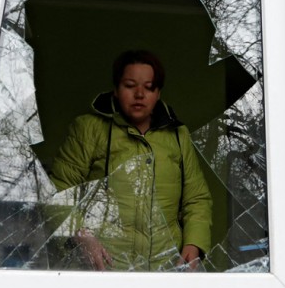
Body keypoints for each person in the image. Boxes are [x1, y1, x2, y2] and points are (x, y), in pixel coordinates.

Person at [50, 50, 212, 271]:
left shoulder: (177, 135)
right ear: (116, 90)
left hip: (165, 268)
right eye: (129, 85)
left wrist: (194, 242)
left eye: (149, 87)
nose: (139, 94)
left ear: (158, 93)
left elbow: (197, 198)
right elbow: (59, 189)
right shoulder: (89, 128)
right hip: (104, 267)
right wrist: (81, 236)